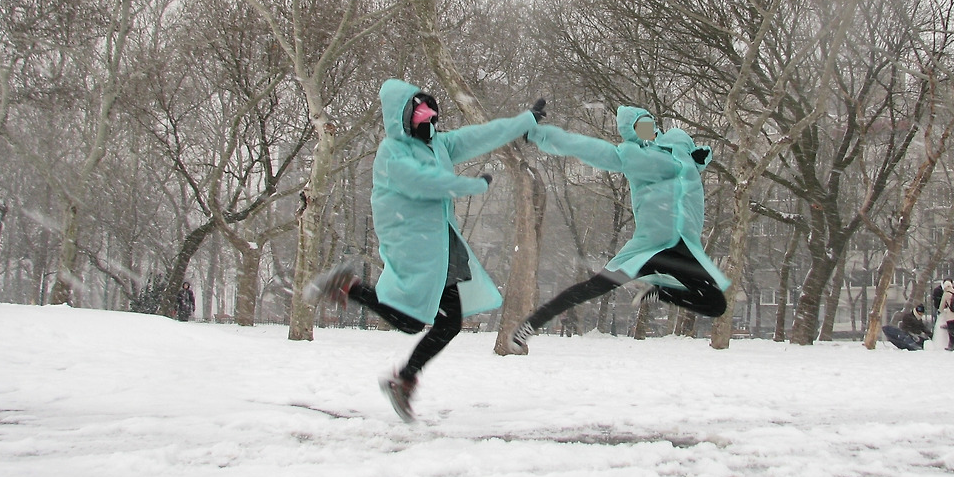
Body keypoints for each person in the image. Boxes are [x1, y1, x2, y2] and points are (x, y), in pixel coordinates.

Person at [306, 79, 542, 421]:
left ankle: (403, 379)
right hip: (411, 242)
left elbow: (482, 135)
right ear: (402, 118)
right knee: (411, 321)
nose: (429, 119)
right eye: (419, 114)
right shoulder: (392, 153)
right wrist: (469, 185)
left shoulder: (439, 144)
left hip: (440, 242)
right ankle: (350, 288)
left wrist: (525, 121)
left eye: (431, 113)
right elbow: (422, 182)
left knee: (448, 322)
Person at [509, 106, 729, 352]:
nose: (647, 129)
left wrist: (700, 158)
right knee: (593, 287)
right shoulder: (632, 156)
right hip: (648, 248)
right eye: (640, 127)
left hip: (683, 248)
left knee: (716, 305)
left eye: (649, 123)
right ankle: (530, 325)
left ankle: (662, 292)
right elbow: (585, 147)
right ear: (631, 132)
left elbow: (690, 164)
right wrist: (538, 133)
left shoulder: (678, 145)